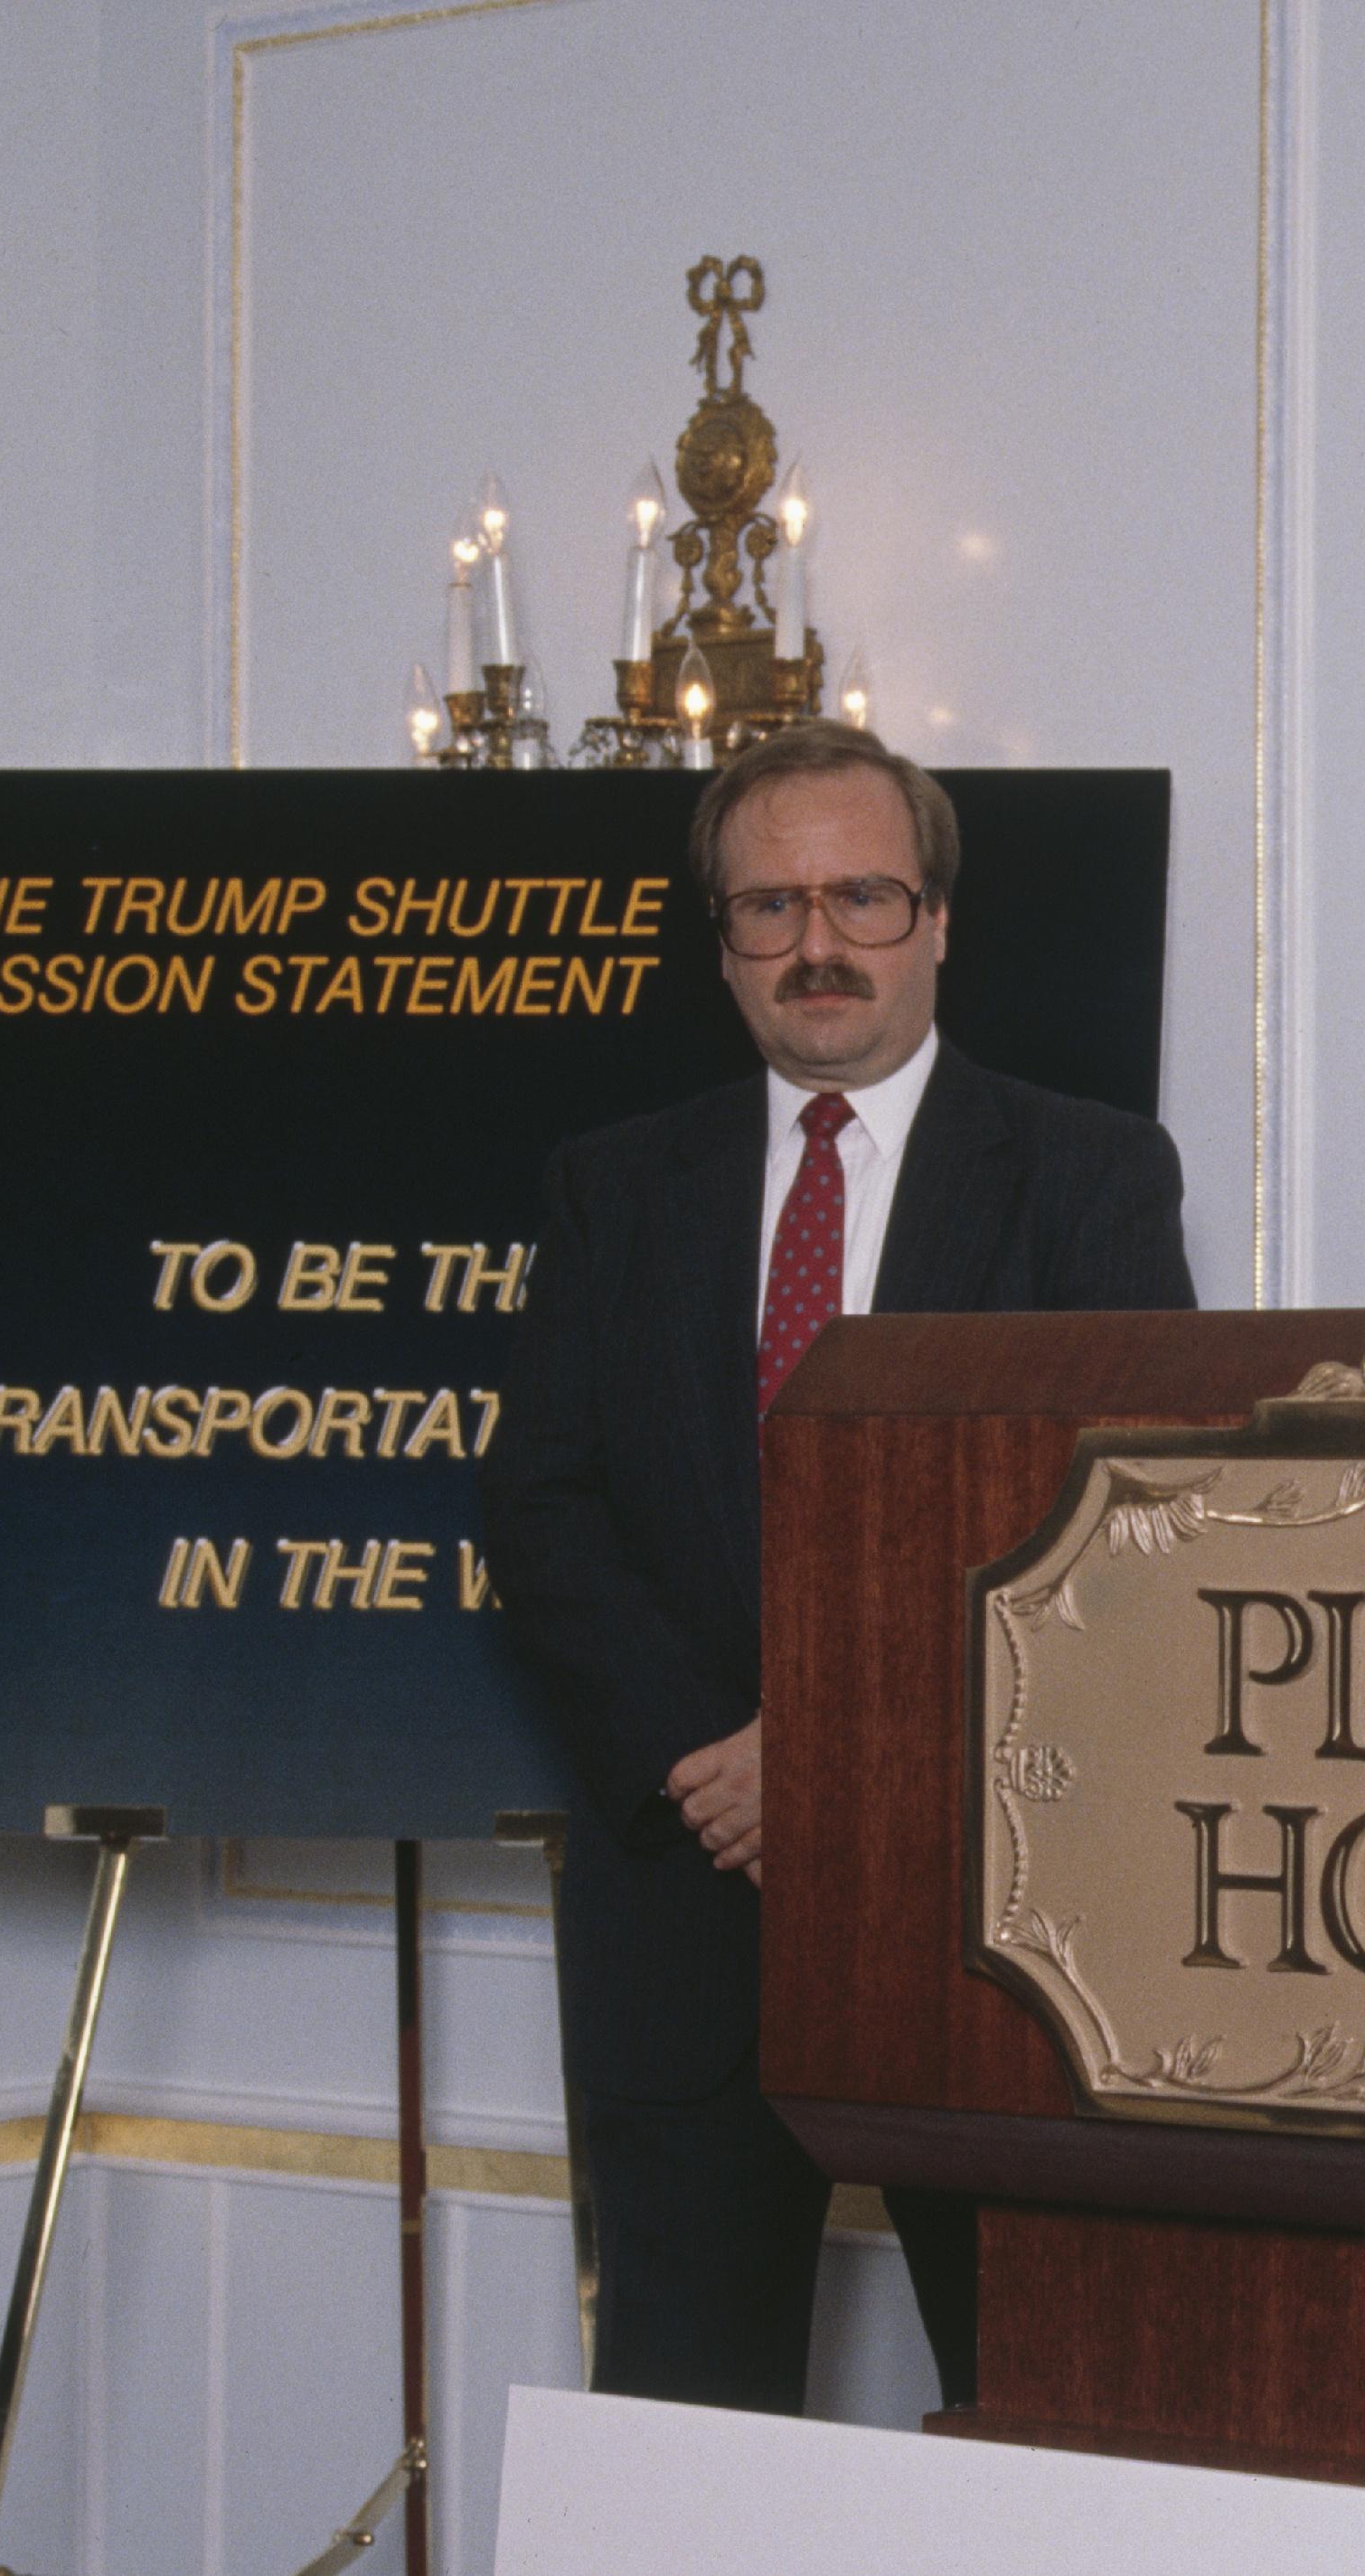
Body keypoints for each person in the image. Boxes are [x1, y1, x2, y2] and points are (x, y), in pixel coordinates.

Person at [479, 719, 1194, 2412]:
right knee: (677, 2428)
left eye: (863, 897)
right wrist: (711, 1757)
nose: (817, 944)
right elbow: (541, 1509)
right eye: (769, 905)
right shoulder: (610, 1190)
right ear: (720, 937)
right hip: (688, 1909)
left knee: (1042, 2419)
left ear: (938, 919)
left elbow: (1125, 1532)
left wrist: (847, 1761)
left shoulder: (1090, 1178)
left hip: (997, 1913)